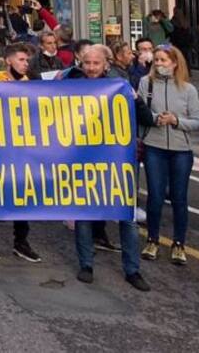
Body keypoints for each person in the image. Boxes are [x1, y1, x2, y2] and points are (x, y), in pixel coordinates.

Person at [69, 44, 149, 290]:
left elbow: (146, 118)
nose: (91, 68)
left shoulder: (120, 86)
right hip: (84, 158)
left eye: (96, 63)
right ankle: (86, 264)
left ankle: (132, 270)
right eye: (87, 63)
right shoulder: (70, 84)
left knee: (126, 216)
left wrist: (136, 100)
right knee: (84, 213)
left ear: (106, 65)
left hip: (117, 161)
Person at [138, 45, 199, 266]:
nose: (159, 64)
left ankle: (178, 243)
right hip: (154, 147)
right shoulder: (146, 84)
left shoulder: (188, 90)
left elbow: (198, 122)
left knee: (179, 198)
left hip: (180, 150)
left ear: (175, 63)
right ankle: (152, 240)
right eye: (156, 60)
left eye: (163, 60)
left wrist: (176, 121)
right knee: (155, 196)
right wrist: (156, 119)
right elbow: (140, 113)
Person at [0, 43, 42, 263]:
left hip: (24, 149)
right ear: (8, 61)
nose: (25, 64)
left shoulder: (33, 84)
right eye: (21, 60)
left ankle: (21, 242)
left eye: (27, 61)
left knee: (22, 194)